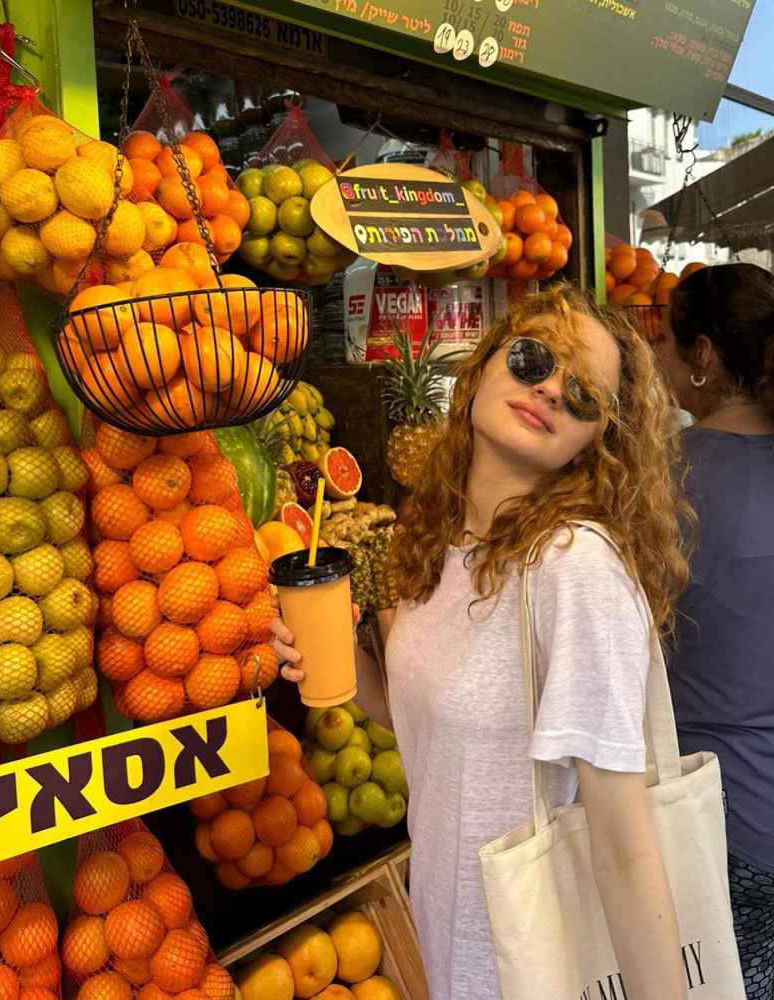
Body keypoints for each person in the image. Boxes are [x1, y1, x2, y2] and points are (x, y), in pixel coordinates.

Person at [273, 285, 693, 1000]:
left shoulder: (573, 568)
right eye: (534, 359)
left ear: (599, 439)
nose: (553, 391)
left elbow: (625, 849)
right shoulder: (438, 543)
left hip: (535, 967)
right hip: (452, 943)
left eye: (585, 395)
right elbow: (425, 734)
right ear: (487, 363)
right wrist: (326, 659)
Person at [655, 262, 774, 999]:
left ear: (701, 356)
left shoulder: (657, 477)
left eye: (668, 344)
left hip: (714, 819)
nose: (663, 361)